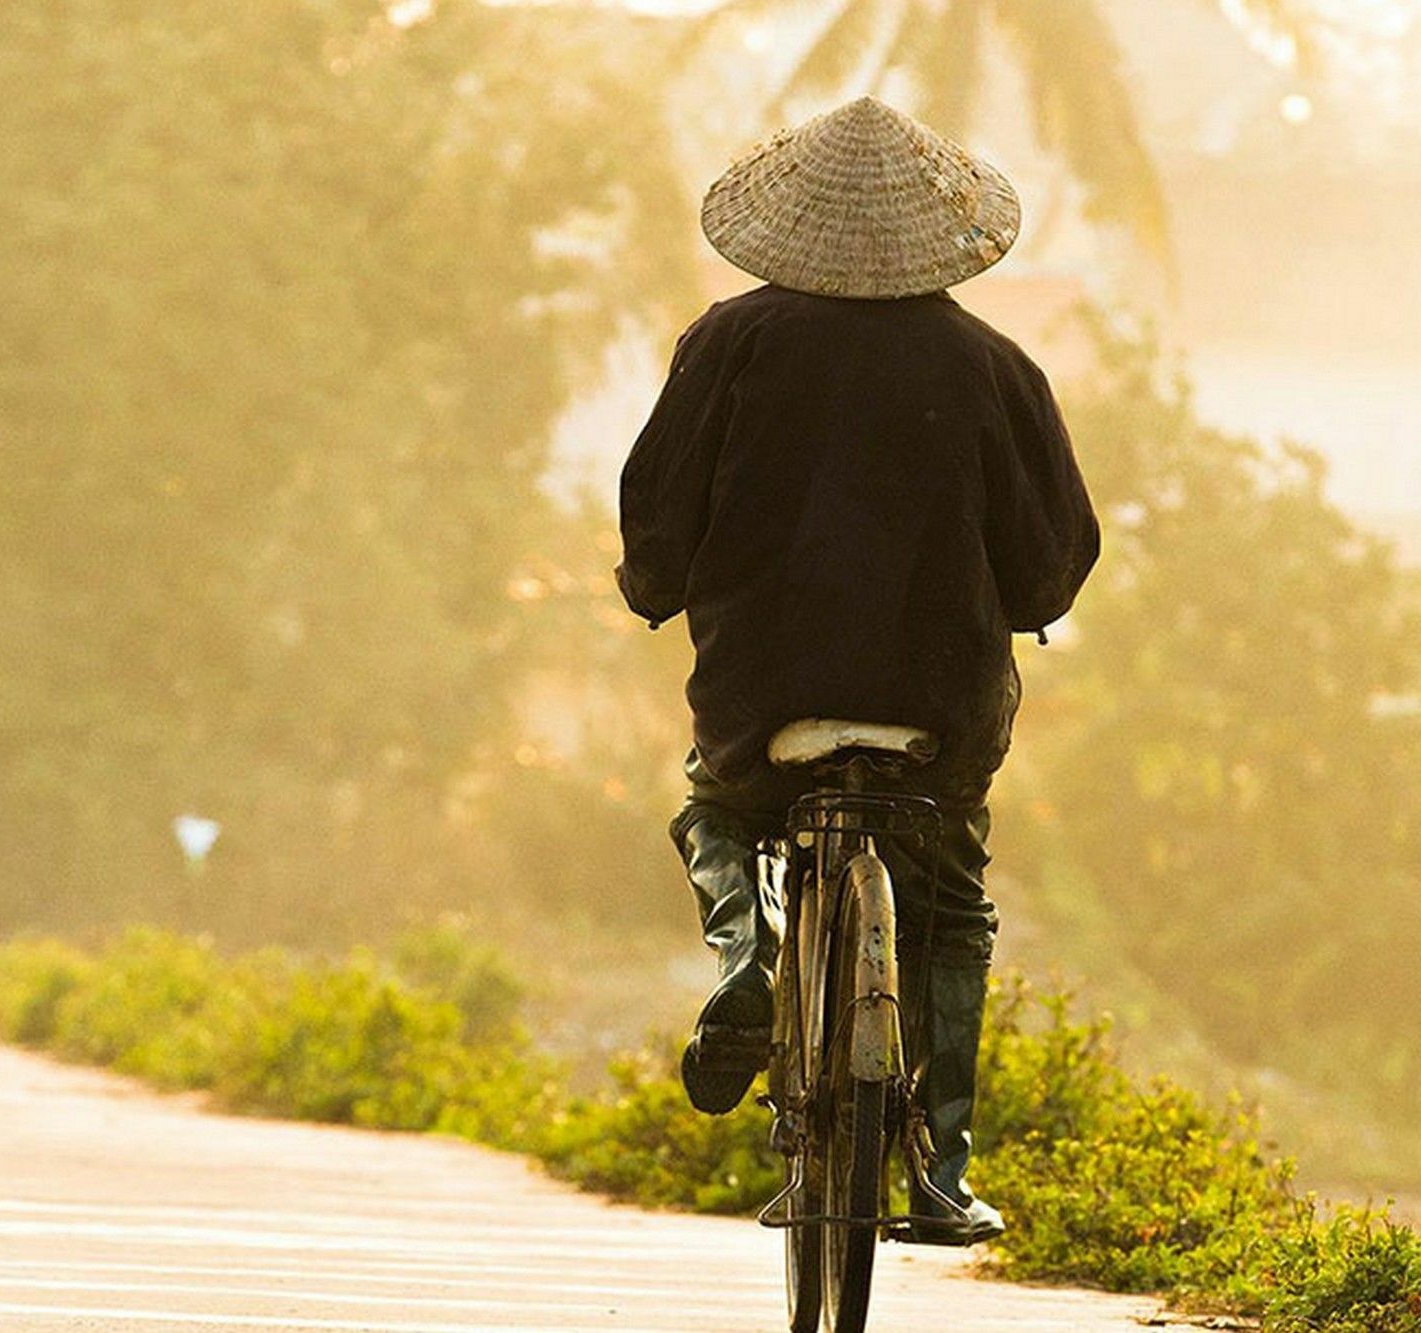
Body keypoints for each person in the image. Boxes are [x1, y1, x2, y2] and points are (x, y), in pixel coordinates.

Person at [614, 96, 1099, 1247]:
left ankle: (745, 956)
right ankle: (939, 1167)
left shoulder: (728, 343)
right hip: (936, 703)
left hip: (761, 688)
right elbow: (1049, 564)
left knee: (714, 808)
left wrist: (654, 587)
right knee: (948, 909)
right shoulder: (996, 365)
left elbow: (657, 515)